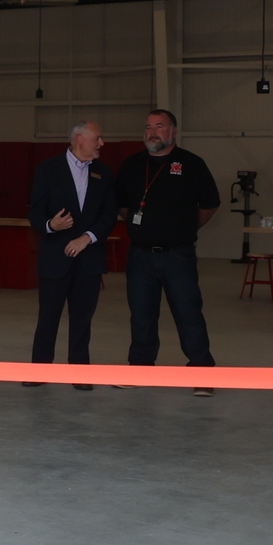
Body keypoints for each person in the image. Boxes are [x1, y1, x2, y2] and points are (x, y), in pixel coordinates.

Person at [116, 109, 220, 397]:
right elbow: (123, 206)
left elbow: (209, 204)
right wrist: (144, 229)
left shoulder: (191, 164)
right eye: (148, 127)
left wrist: (184, 229)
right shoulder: (131, 165)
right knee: (141, 315)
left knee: (188, 314)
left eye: (160, 126)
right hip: (140, 255)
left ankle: (201, 373)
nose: (152, 132)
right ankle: (140, 368)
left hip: (178, 255)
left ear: (173, 131)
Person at [25, 120, 114, 390]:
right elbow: (35, 214)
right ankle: (38, 370)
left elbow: (109, 215)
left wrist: (86, 238)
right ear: (78, 140)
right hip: (55, 259)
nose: (101, 144)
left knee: (82, 318)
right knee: (48, 316)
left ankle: (79, 372)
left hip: (89, 259)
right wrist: (52, 225)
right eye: (97, 138)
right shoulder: (48, 170)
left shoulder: (104, 172)